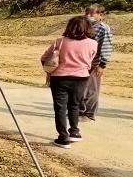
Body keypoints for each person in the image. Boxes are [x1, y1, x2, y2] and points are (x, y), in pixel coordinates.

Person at [41, 16, 98, 148]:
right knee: (74, 105)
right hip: (81, 78)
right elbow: (92, 61)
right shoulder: (93, 43)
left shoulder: (60, 42)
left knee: (60, 108)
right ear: (88, 28)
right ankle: (74, 131)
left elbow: (44, 58)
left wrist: (49, 69)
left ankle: (63, 137)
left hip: (60, 78)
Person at [81, 5, 113, 121]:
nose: (88, 16)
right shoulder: (85, 26)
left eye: (92, 14)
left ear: (100, 15)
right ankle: (80, 111)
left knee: (91, 89)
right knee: (81, 88)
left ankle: (89, 114)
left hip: (95, 64)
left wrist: (102, 65)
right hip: (83, 63)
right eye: (87, 13)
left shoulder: (104, 29)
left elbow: (106, 47)